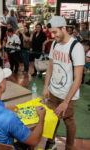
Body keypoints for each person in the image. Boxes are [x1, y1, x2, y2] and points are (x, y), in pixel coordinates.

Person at [42, 16, 85, 150]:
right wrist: (45, 87)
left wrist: (66, 101)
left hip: (68, 94)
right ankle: (51, 142)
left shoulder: (76, 47)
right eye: (51, 33)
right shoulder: (54, 44)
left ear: (64, 28)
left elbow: (78, 78)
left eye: (55, 32)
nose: (53, 36)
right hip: (53, 91)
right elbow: (50, 66)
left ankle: (70, 146)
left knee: (68, 120)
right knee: (51, 119)